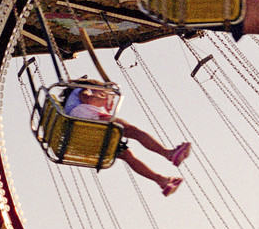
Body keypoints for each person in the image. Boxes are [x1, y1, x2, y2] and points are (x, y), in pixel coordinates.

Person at [60, 82, 191, 196]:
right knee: (133, 131)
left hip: (86, 138)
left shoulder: (68, 107)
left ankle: (161, 180)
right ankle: (169, 154)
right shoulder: (80, 90)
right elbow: (90, 99)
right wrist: (106, 98)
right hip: (91, 123)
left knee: (127, 156)